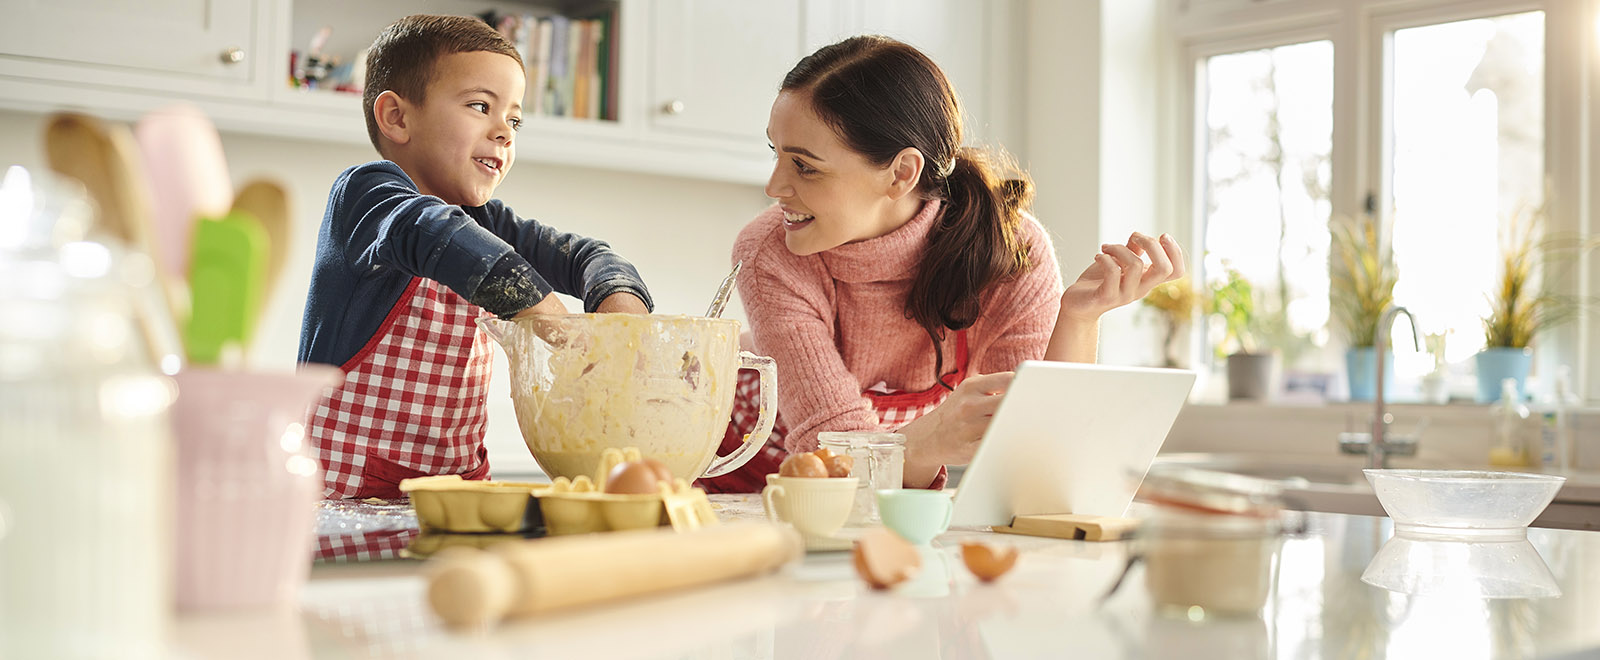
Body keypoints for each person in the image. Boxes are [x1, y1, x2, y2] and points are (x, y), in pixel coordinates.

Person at [699, 35, 1184, 493]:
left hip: (868, 493)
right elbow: (827, 454)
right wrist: (929, 441)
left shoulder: (1009, 250)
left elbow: (1031, 456)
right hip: (729, 475)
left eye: (804, 165)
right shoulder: (770, 251)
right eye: (776, 153)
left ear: (901, 173)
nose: (774, 186)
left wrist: (1077, 316)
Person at [298, 14, 652, 499]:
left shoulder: (485, 221)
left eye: (514, 119)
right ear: (396, 117)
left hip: (459, 487)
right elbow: (431, 232)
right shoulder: (367, 196)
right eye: (480, 106)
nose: (504, 132)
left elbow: (584, 255)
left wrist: (620, 307)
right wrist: (547, 314)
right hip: (348, 494)